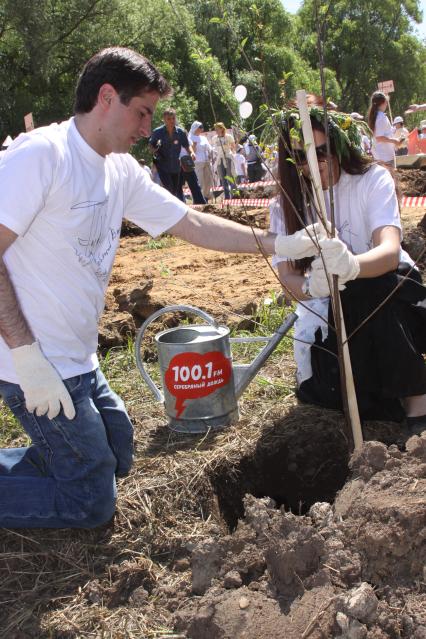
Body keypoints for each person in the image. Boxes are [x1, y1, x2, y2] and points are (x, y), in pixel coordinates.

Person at [0, 46, 304, 529]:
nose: (147, 128)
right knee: (91, 501)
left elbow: (193, 224)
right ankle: (67, 472)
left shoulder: (118, 170)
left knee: (117, 453)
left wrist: (282, 242)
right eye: (141, 113)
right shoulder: (43, 155)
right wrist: (26, 356)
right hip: (32, 361)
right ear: (106, 97)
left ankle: (57, 460)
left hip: (77, 360)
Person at [270, 107, 426, 434]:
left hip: (394, 297)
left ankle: (418, 400)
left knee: (367, 285)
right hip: (330, 311)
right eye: (298, 156)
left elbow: (388, 251)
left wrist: (352, 266)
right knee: (328, 392)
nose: (312, 164)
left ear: (339, 145)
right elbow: (288, 278)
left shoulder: (371, 180)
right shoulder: (286, 204)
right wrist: (315, 286)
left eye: (321, 151)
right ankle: (384, 399)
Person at [148, 108, 194, 202]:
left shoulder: (180, 132)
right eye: (169, 119)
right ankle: (170, 211)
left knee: (175, 191)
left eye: (173, 118)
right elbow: (150, 146)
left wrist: (192, 153)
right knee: (169, 188)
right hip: (162, 165)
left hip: (176, 167)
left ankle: (167, 208)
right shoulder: (157, 132)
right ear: (164, 120)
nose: (172, 121)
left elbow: (187, 146)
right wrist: (155, 149)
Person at [368, 91, 401, 167]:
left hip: (381, 155)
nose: (387, 104)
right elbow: (379, 137)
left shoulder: (377, 116)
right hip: (385, 156)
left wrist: (392, 130)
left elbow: (382, 133)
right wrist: (394, 141)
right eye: (386, 102)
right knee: (389, 177)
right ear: (383, 103)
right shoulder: (380, 117)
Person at [188, 120, 214, 201]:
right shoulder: (189, 138)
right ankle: (198, 198)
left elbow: (209, 147)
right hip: (197, 162)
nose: (202, 129)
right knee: (200, 181)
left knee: (208, 180)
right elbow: (190, 151)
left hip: (206, 161)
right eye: (200, 127)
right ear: (195, 128)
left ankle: (206, 196)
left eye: (202, 127)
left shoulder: (203, 138)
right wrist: (194, 145)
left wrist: (212, 153)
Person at [212, 122, 236, 200]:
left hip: (227, 157)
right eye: (215, 129)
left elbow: (233, 147)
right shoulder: (215, 138)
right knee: (223, 179)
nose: (216, 130)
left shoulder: (228, 136)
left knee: (230, 177)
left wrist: (232, 155)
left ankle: (235, 195)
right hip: (219, 159)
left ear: (222, 128)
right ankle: (227, 196)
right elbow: (215, 149)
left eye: (217, 128)